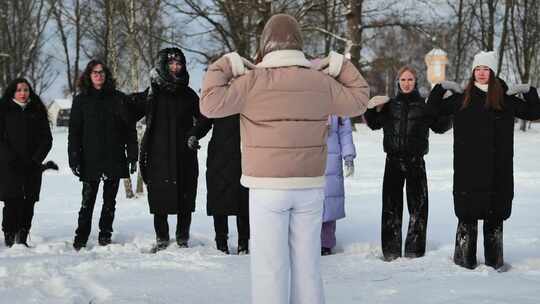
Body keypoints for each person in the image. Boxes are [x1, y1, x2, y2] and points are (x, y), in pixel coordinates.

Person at [200, 14, 369, 304]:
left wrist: (229, 62)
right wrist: (339, 64)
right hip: (310, 186)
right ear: (299, 44)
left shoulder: (251, 81)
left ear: (266, 45)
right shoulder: (320, 82)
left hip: (266, 187)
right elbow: (360, 98)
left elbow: (209, 103)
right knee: (308, 266)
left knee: (270, 267)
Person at [427, 51, 540, 269]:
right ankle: (463, 263)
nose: (481, 73)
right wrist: (441, 88)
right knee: (467, 220)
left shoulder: (505, 100)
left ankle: (494, 264)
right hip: (467, 172)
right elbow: (432, 111)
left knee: (494, 221)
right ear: (472, 73)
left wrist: (529, 91)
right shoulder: (462, 99)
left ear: (493, 72)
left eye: (485, 69)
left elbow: (535, 111)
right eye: (477, 69)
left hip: (498, 172)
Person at [364, 66, 452, 261]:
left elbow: (440, 127)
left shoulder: (423, 106)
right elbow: (374, 123)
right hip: (393, 162)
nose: (406, 83)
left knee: (418, 208)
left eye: (410, 79)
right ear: (398, 82)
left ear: (415, 82)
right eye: (403, 80)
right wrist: (371, 108)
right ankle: (391, 251)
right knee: (390, 208)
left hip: (416, 162)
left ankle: (414, 251)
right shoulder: (390, 105)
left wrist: (446, 109)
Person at [128, 47, 210, 253]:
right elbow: (129, 110)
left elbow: (205, 118)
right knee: (159, 198)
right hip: (157, 154)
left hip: (184, 153)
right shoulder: (153, 94)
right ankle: (162, 238)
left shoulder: (189, 95)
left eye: (179, 63)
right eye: (171, 63)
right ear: (164, 66)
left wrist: (194, 134)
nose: (175, 67)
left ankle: (183, 238)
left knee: (185, 196)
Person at [68, 60, 138, 250]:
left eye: (101, 72)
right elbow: (74, 132)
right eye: (94, 72)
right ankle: (81, 236)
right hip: (90, 158)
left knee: (110, 201)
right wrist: (73, 157)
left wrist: (132, 155)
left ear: (106, 75)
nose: (98, 75)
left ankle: (105, 234)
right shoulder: (81, 100)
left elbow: (129, 128)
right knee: (87, 200)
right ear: (89, 76)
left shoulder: (118, 98)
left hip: (114, 157)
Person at [0, 78, 52, 247]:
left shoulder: (37, 111)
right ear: (12, 92)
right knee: (12, 201)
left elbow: (47, 139)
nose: (23, 93)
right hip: (10, 166)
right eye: (19, 90)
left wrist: (36, 160)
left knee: (29, 201)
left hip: (32, 166)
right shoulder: (4, 110)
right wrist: (10, 158)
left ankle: (22, 237)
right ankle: (9, 235)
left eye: (26, 90)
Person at [202, 115, 250, 254]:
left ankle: (243, 244)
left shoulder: (246, 98)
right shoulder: (217, 101)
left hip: (243, 155)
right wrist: (193, 134)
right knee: (219, 201)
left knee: (243, 202)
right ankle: (221, 243)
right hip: (219, 157)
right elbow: (204, 122)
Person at [320, 116, 356, 256]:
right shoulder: (307, 99)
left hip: (332, 161)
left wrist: (349, 157)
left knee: (330, 203)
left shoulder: (338, 107)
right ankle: (308, 240)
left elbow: (345, 132)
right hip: (310, 157)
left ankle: (326, 243)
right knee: (310, 203)